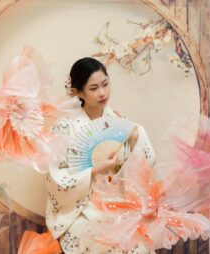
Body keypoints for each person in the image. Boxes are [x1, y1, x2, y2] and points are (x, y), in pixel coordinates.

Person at [44, 57, 156, 253]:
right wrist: (95, 170)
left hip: (116, 203)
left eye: (105, 84)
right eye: (93, 88)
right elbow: (55, 178)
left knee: (135, 245)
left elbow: (144, 167)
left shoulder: (117, 121)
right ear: (78, 92)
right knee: (93, 238)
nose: (102, 93)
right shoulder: (64, 127)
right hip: (81, 208)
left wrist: (134, 140)